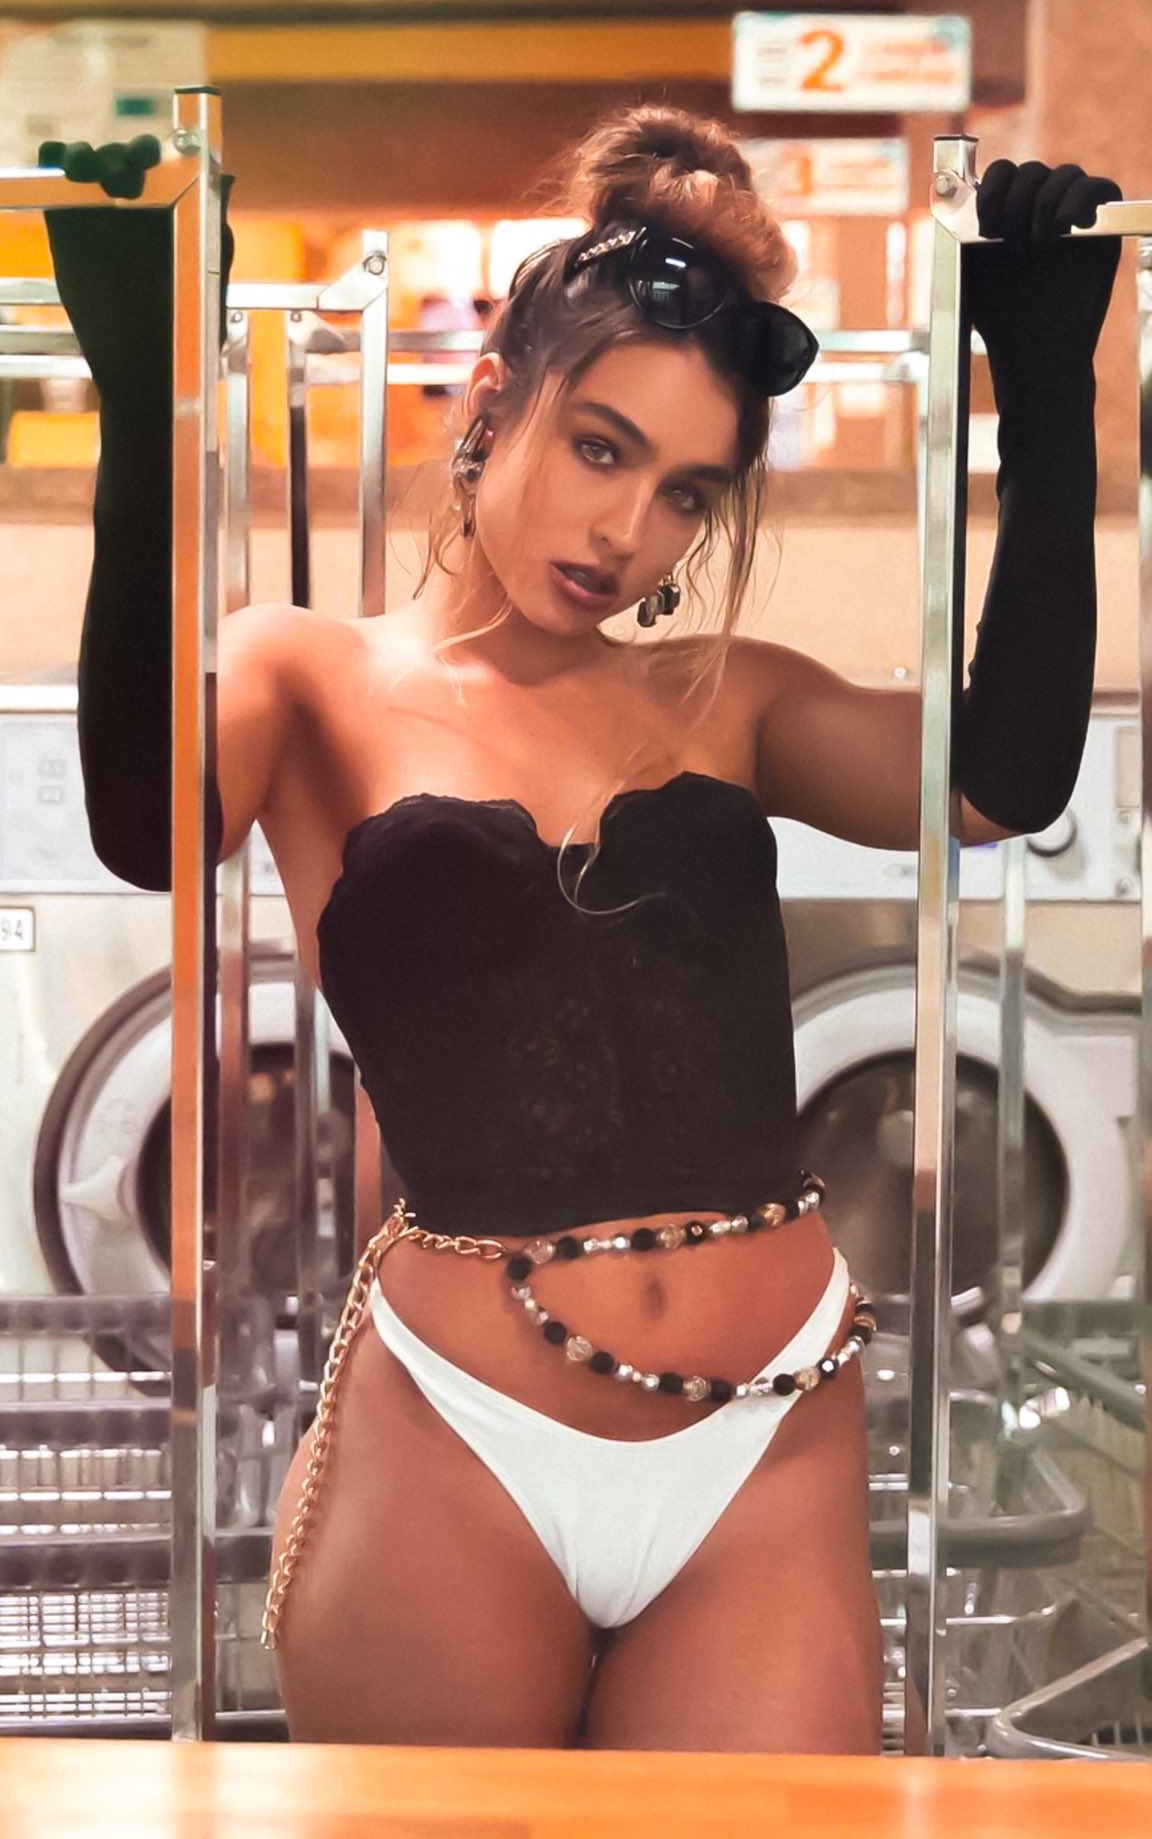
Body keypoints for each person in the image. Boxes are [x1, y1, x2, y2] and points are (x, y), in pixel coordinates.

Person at [42, 107, 1121, 1753]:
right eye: (601, 448)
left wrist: (1044, 394)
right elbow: (146, 826)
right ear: (493, 402)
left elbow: (999, 780)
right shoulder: (306, 674)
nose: (627, 533)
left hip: (767, 1437)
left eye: (687, 492)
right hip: (461, 1443)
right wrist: (145, 392)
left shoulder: (729, 697)